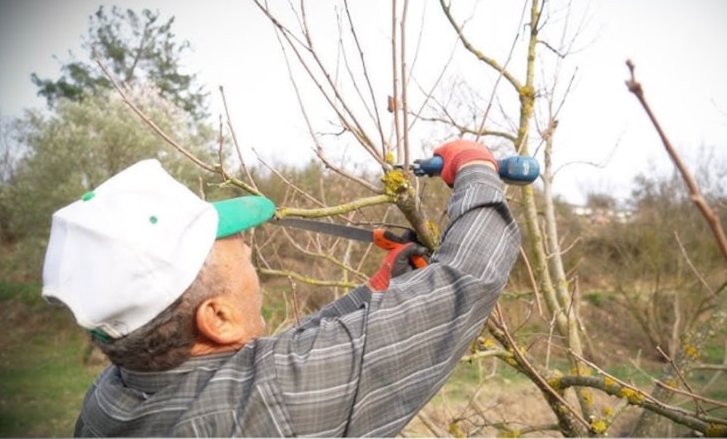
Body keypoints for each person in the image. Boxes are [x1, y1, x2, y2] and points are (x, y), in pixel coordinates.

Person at [42, 139, 521, 437]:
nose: (249, 252)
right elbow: (467, 278)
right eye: (233, 245)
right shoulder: (273, 407)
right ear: (218, 318)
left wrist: (375, 292)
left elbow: (257, 365)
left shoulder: (111, 399)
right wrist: (476, 167)